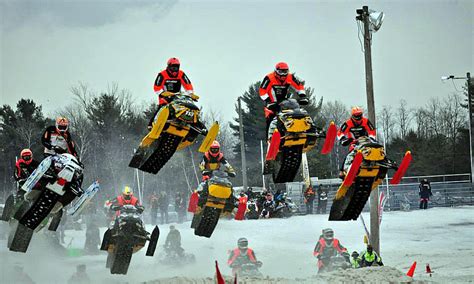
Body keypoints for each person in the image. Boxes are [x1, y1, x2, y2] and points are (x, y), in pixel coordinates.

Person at [258, 62, 308, 134]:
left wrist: (303, 96)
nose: (283, 74)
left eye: (285, 71)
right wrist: (268, 101)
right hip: (272, 103)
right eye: (281, 72)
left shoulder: (290, 77)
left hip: (285, 102)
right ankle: (270, 140)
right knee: (270, 119)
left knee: (297, 112)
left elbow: (299, 86)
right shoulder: (269, 78)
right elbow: (262, 91)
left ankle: (305, 129)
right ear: (276, 71)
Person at [148, 57, 194, 130]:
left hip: (178, 97)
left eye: (176, 67)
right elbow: (157, 87)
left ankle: (191, 124)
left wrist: (190, 93)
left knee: (188, 107)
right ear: (169, 66)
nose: (175, 69)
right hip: (165, 97)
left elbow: (187, 84)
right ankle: (151, 125)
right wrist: (163, 93)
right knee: (162, 108)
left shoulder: (181, 74)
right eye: (173, 67)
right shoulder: (162, 74)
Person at [337, 107, 376, 178]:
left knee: (374, 150)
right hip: (354, 143)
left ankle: (377, 164)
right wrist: (343, 139)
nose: (358, 118)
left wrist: (372, 138)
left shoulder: (366, 121)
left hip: (365, 142)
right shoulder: (347, 123)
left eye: (359, 115)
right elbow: (340, 132)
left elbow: (372, 130)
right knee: (350, 154)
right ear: (352, 115)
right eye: (356, 115)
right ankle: (342, 171)